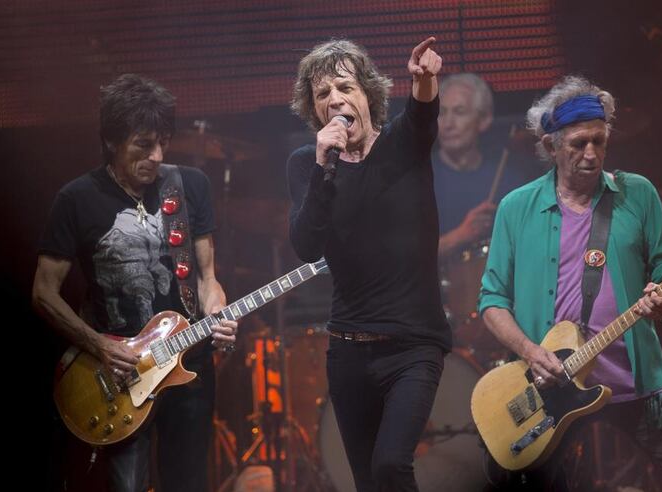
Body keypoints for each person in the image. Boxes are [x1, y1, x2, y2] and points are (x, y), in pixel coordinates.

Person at [478, 75, 662, 490]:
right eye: (577, 144)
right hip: (554, 387)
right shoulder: (516, 208)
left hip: (635, 380)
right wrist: (530, 351)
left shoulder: (637, 193)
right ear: (550, 146)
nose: (591, 154)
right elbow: (492, 300)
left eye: (599, 142)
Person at [32, 73, 238, 492]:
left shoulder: (190, 186)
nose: (157, 155)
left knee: (190, 483)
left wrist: (217, 309)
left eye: (163, 141)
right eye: (144, 144)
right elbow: (42, 293)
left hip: (188, 365)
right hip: (120, 376)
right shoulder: (76, 199)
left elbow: (208, 278)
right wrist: (99, 345)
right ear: (111, 141)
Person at [286, 37, 448, 491]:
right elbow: (306, 245)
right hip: (348, 351)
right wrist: (323, 166)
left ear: (367, 95)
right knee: (367, 482)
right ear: (313, 109)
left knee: (391, 466)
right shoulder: (308, 164)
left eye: (344, 87)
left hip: (413, 347)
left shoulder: (402, 145)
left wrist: (425, 79)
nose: (334, 100)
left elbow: (422, 115)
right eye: (322, 94)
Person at [434, 73, 525, 260]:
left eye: (459, 112)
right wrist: (461, 235)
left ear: (484, 120)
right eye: (442, 113)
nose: (448, 124)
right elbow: (403, 258)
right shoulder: (417, 178)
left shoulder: (508, 182)